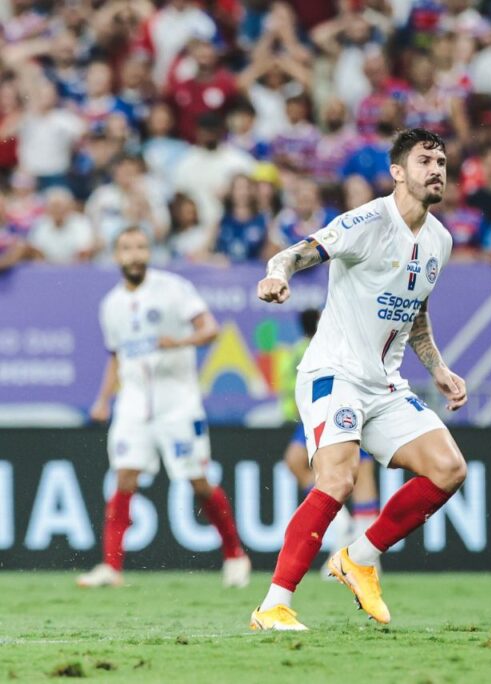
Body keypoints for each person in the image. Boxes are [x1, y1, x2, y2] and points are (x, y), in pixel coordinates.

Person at [250, 128, 467, 631]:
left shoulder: (440, 240)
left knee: (448, 469)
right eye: (424, 161)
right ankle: (273, 606)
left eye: (441, 161)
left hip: (385, 385)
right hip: (335, 372)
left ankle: (359, 558)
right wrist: (278, 273)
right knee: (339, 478)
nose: (436, 169)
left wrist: (438, 367)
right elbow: (295, 252)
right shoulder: (368, 221)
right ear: (398, 172)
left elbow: (415, 312)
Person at [78, 227, 251, 589]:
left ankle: (236, 555)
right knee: (124, 475)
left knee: (198, 482)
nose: (135, 254)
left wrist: (179, 342)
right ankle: (111, 567)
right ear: (116, 256)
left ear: (149, 252)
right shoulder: (110, 304)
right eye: (127, 248)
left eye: (141, 247)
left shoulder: (173, 288)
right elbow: (116, 356)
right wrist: (102, 399)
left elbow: (211, 329)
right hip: (134, 402)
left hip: (178, 401)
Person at [276, 309, 380, 561]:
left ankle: (364, 552)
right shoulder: (331, 344)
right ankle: (342, 524)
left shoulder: (304, 349)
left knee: (356, 470)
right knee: (340, 469)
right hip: (321, 411)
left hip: (343, 407)